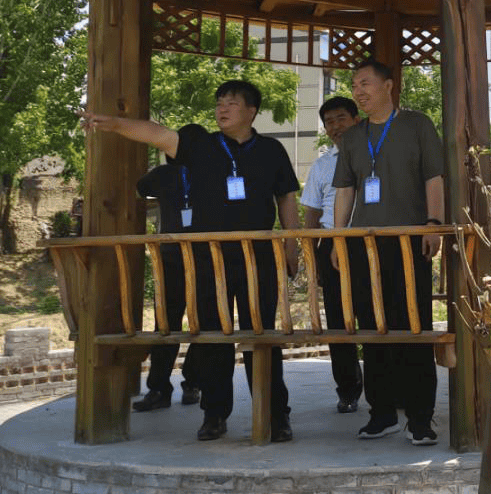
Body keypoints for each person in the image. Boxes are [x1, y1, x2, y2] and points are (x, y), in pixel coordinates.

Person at [82, 80, 301, 443]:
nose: (222, 108)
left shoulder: (272, 150)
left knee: (262, 339)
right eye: (219, 102)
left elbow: (287, 200)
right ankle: (214, 415)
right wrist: (114, 123)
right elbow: (156, 133)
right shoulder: (200, 145)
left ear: (251, 111)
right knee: (213, 339)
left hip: (258, 259)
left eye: (231, 103)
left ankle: (276, 416)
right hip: (207, 261)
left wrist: (292, 247)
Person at [330, 60, 444, 446]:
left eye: (365, 83)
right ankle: (381, 414)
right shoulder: (352, 137)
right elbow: (346, 190)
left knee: (414, 327)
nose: (358, 91)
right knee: (374, 328)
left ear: (389, 85)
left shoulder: (417, 125)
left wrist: (433, 223)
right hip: (365, 243)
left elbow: (434, 176)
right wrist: (338, 238)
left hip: (410, 239)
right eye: (354, 85)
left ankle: (420, 418)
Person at [300, 95, 363, 414]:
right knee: (339, 321)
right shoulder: (323, 164)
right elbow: (311, 212)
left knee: (375, 316)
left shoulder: (374, 154)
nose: (335, 126)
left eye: (341, 118)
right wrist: (311, 256)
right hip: (329, 244)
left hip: (368, 243)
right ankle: (348, 389)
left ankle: (386, 389)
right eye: (329, 122)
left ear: (356, 119)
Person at [132, 160, 202, 412]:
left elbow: (139, 189)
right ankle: (162, 387)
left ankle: (190, 382)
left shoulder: (208, 170)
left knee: (202, 322)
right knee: (166, 323)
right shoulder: (164, 174)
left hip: (203, 258)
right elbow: (139, 189)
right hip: (173, 258)